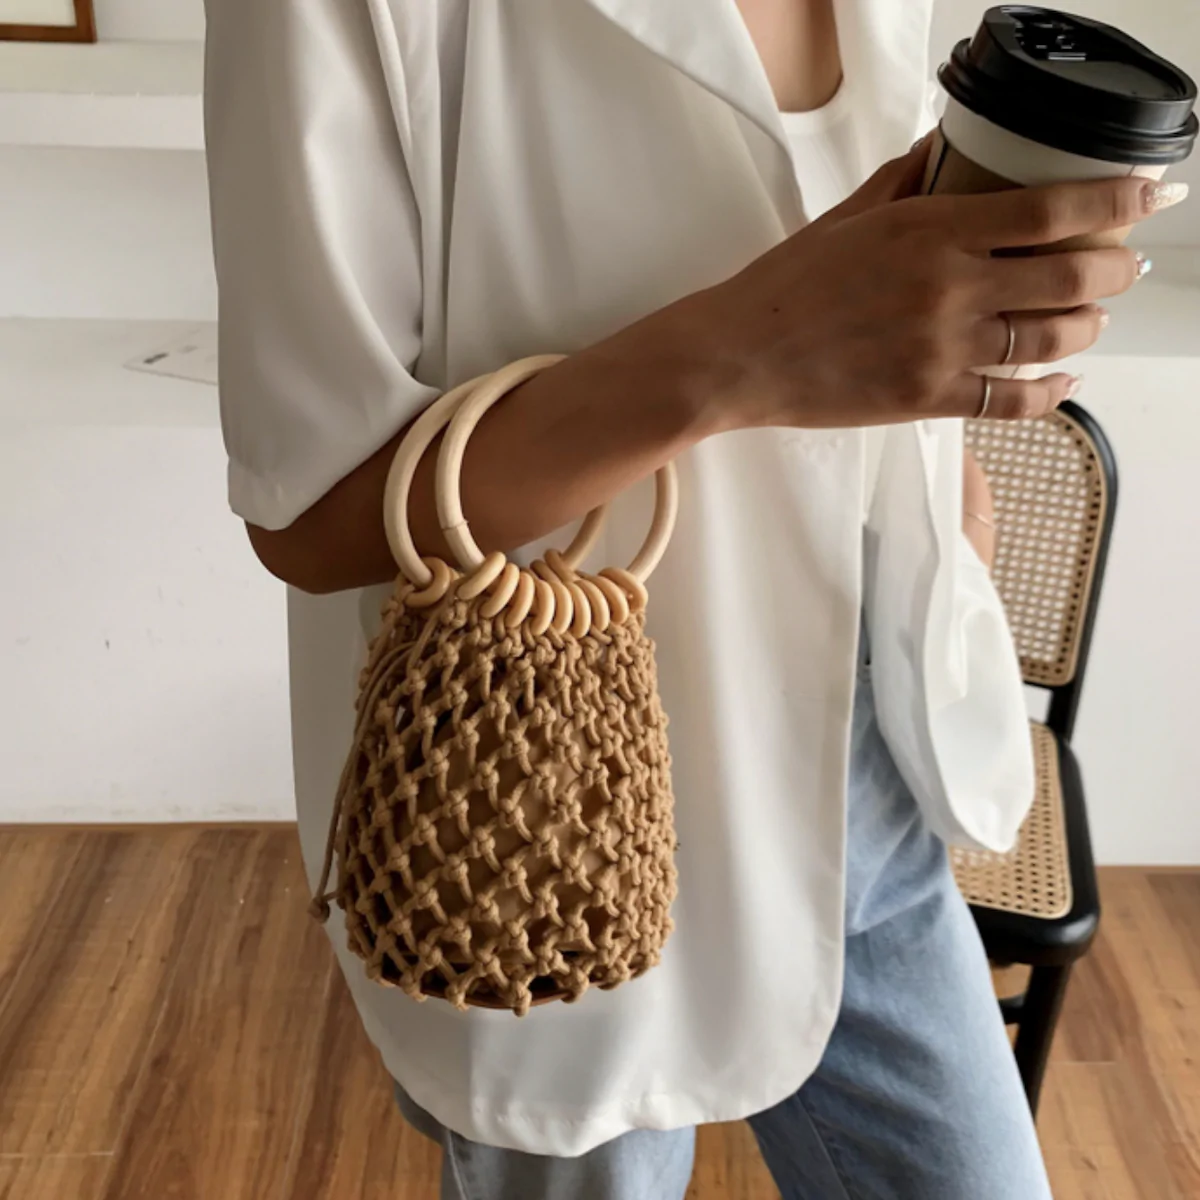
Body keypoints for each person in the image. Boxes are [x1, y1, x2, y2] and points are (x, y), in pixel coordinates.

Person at [202, 2, 1182, 1196]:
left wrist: (941, 489)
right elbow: (310, 514)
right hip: (553, 805)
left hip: (868, 770)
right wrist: (749, 353)